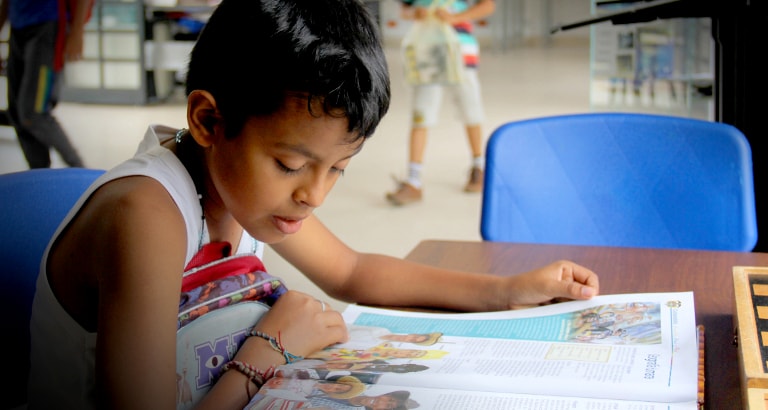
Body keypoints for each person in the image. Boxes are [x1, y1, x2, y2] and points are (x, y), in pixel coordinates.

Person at [26, 0, 599, 408]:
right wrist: (269, 349)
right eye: (292, 165)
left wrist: (508, 291)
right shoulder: (149, 215)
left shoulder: (246, 191)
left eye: (338, 170)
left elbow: (352, 271)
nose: (314, 195)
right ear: (208, 120)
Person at [386, 0, 495, 205]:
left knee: (471, 110)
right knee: (421, 114)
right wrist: (414, 13)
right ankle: (413, 181)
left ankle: (478, 167)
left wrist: (455, 18)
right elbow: (405, 10)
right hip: (428, 50)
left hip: (461, 51)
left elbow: (487, 5)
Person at [0, 0, 88, 168]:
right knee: (17, 113)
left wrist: (77, 32)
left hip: (48, 26)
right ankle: (39, 174)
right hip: (17, 27)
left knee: (34, 113)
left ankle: (82, 171)